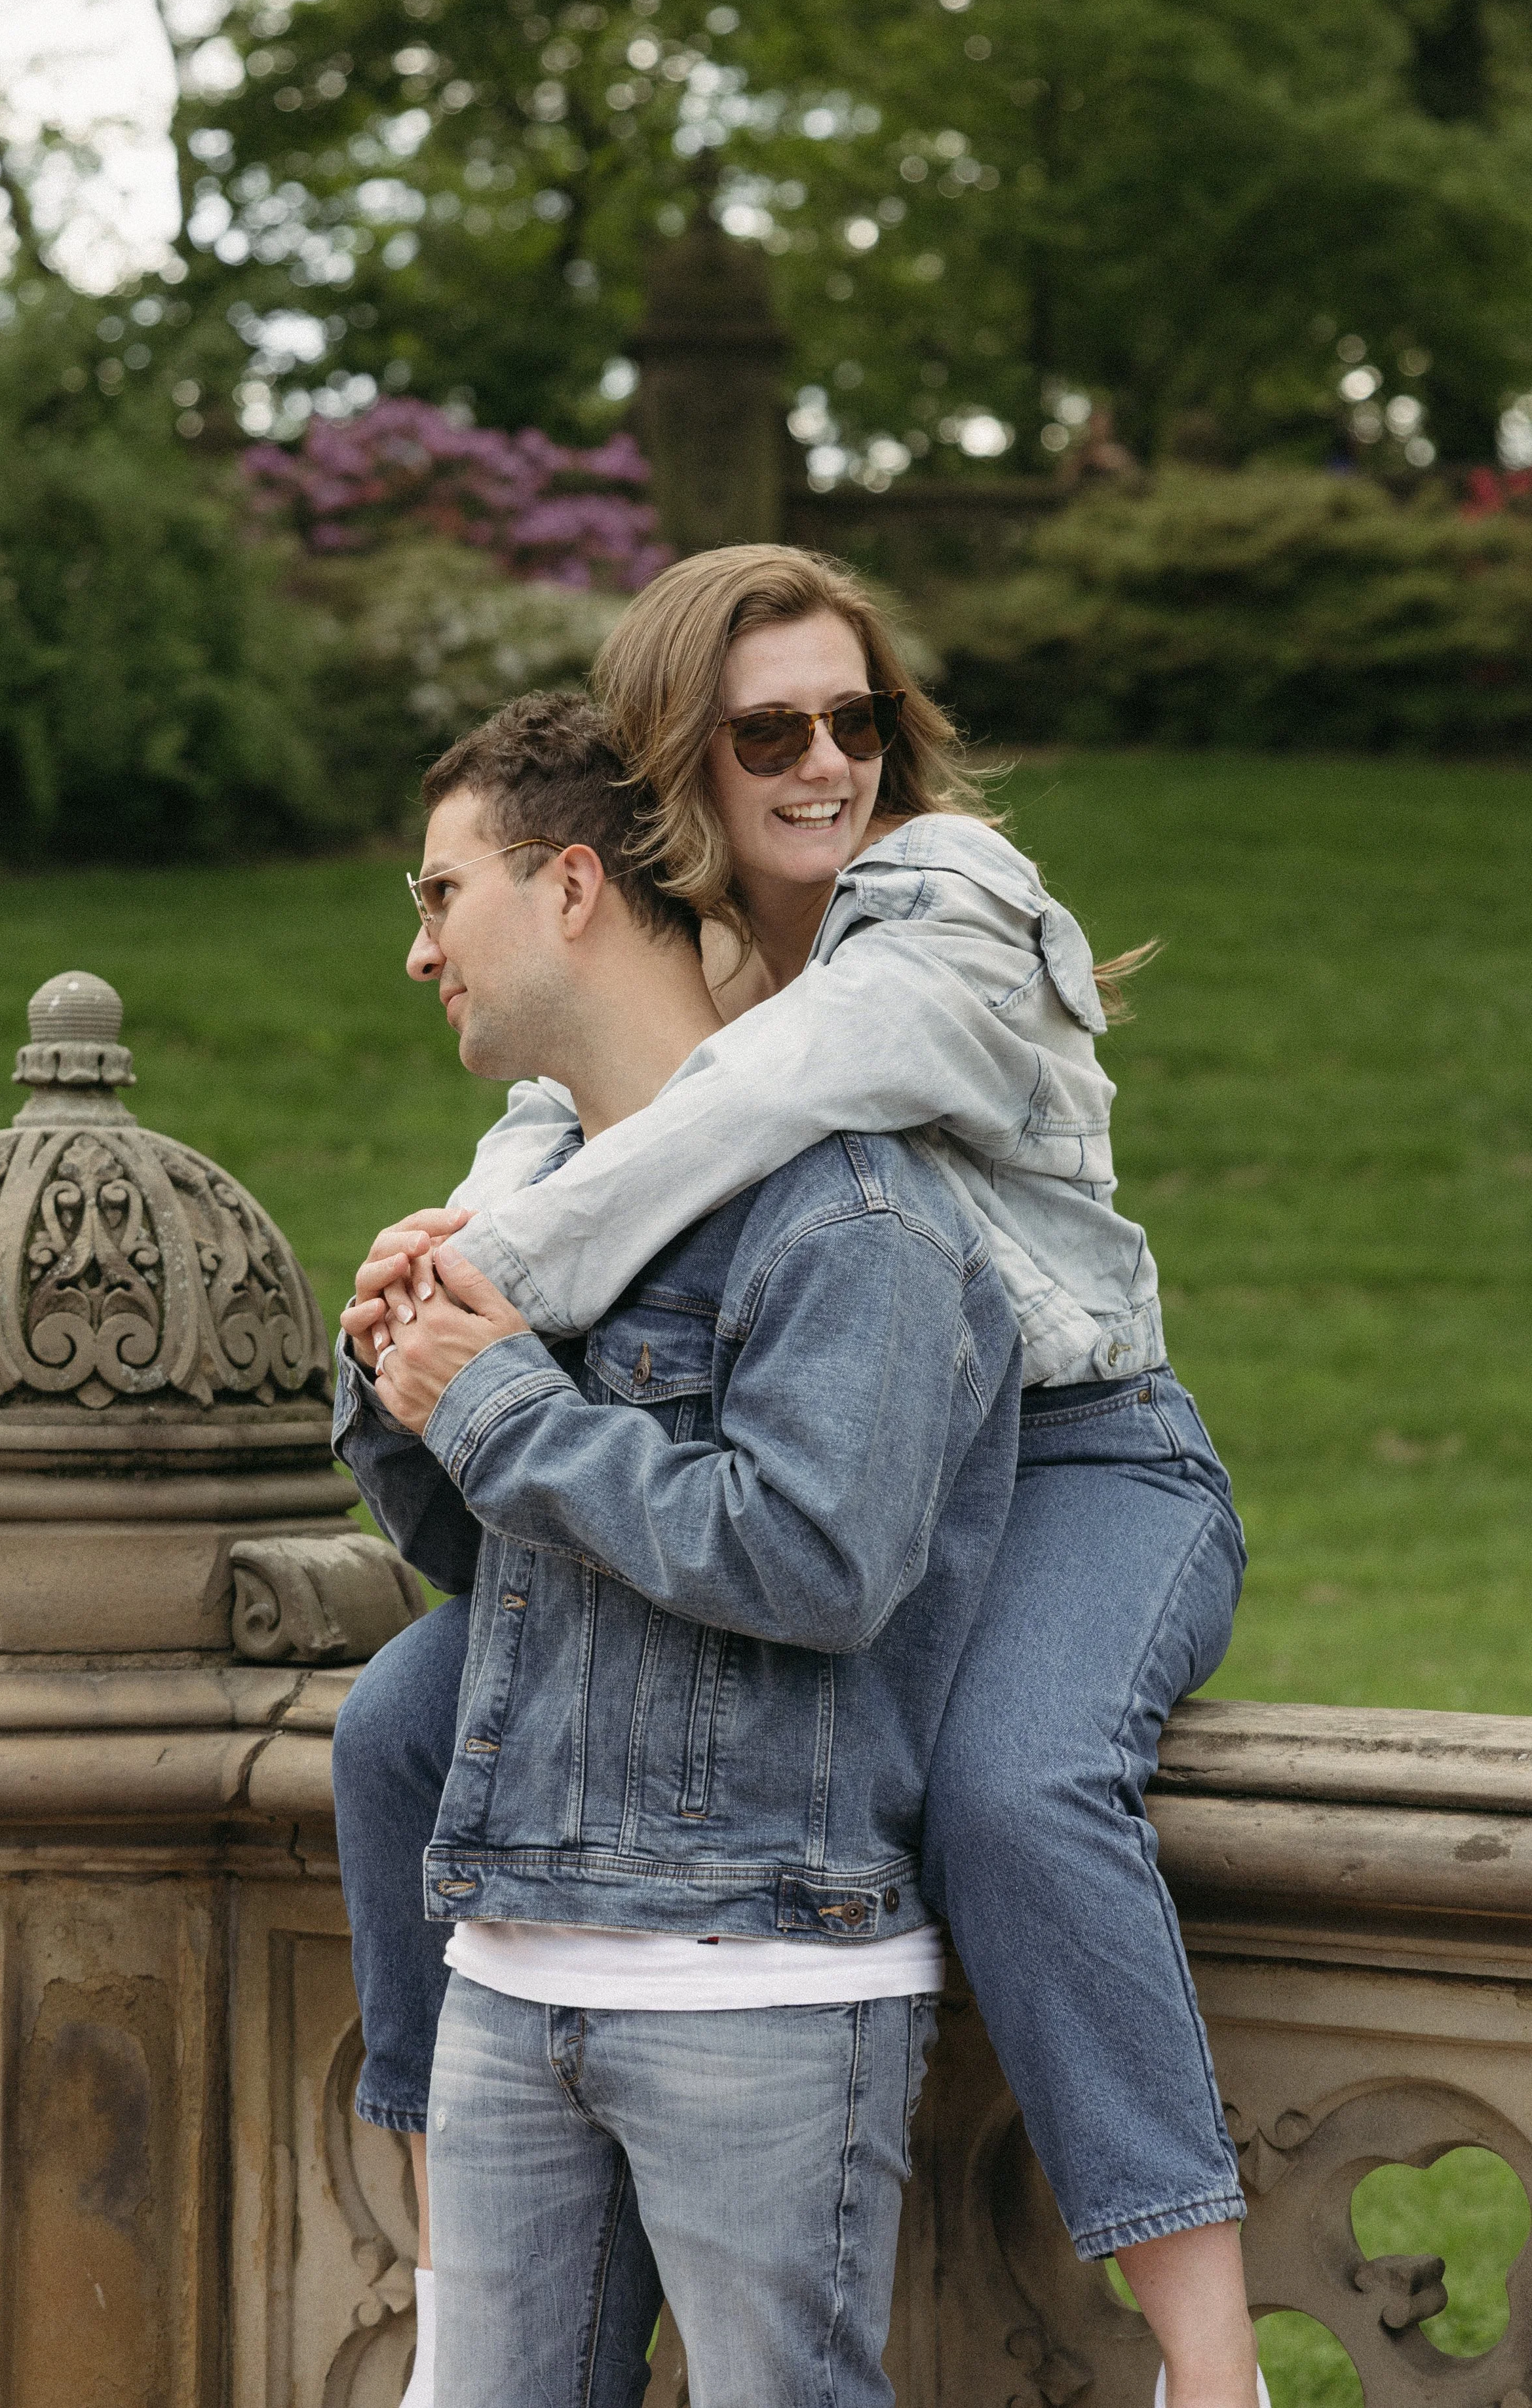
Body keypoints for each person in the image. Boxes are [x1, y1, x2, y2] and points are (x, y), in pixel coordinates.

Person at [338, 547, 1262, 2408]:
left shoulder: (940, 904)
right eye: (770, 727)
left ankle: (1209, 2363)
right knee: (395, 1727)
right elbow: (548, 1123)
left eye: (857, 716)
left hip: (1084, 1451)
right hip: (851, 1461)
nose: (825, 760)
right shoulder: (682, 947)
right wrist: (440, 1276)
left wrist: (491, 1293)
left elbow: (748, 1109)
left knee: (1012, 1788)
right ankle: (469, 2318)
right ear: (687, 746)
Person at [333, 690, 1024, 2408]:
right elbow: (494, 1567)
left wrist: (493, 1401)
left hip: (759, 1985)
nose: (419, 953)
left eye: (440, 895)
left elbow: (817, 1562)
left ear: (570, 885)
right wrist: (387, 1378)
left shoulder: (848, 1211)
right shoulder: (541, 1216)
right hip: (506, 1960)